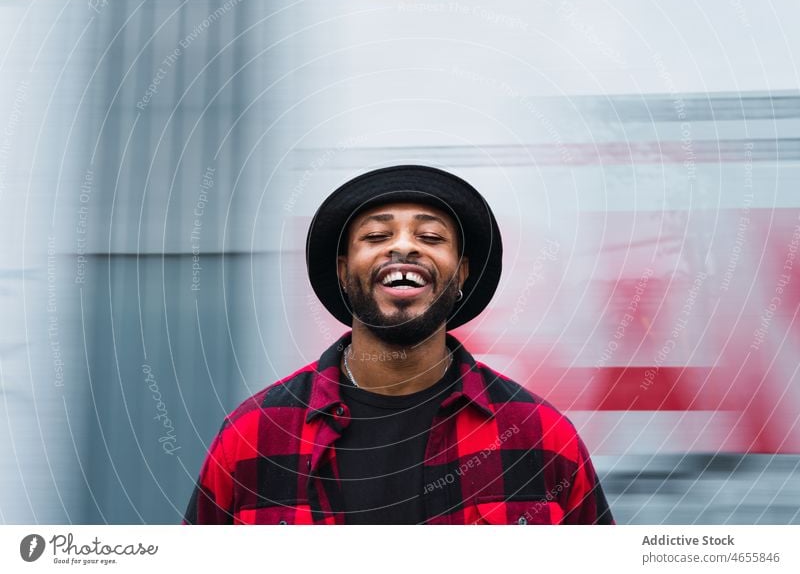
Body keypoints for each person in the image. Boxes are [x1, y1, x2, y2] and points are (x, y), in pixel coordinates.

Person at [183, 165, 614, 525]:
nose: (404, 246)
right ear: (342, 272)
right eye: (376, 237)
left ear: (461, 274)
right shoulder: (255, 436)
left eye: (430, 238)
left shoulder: (542, 436)